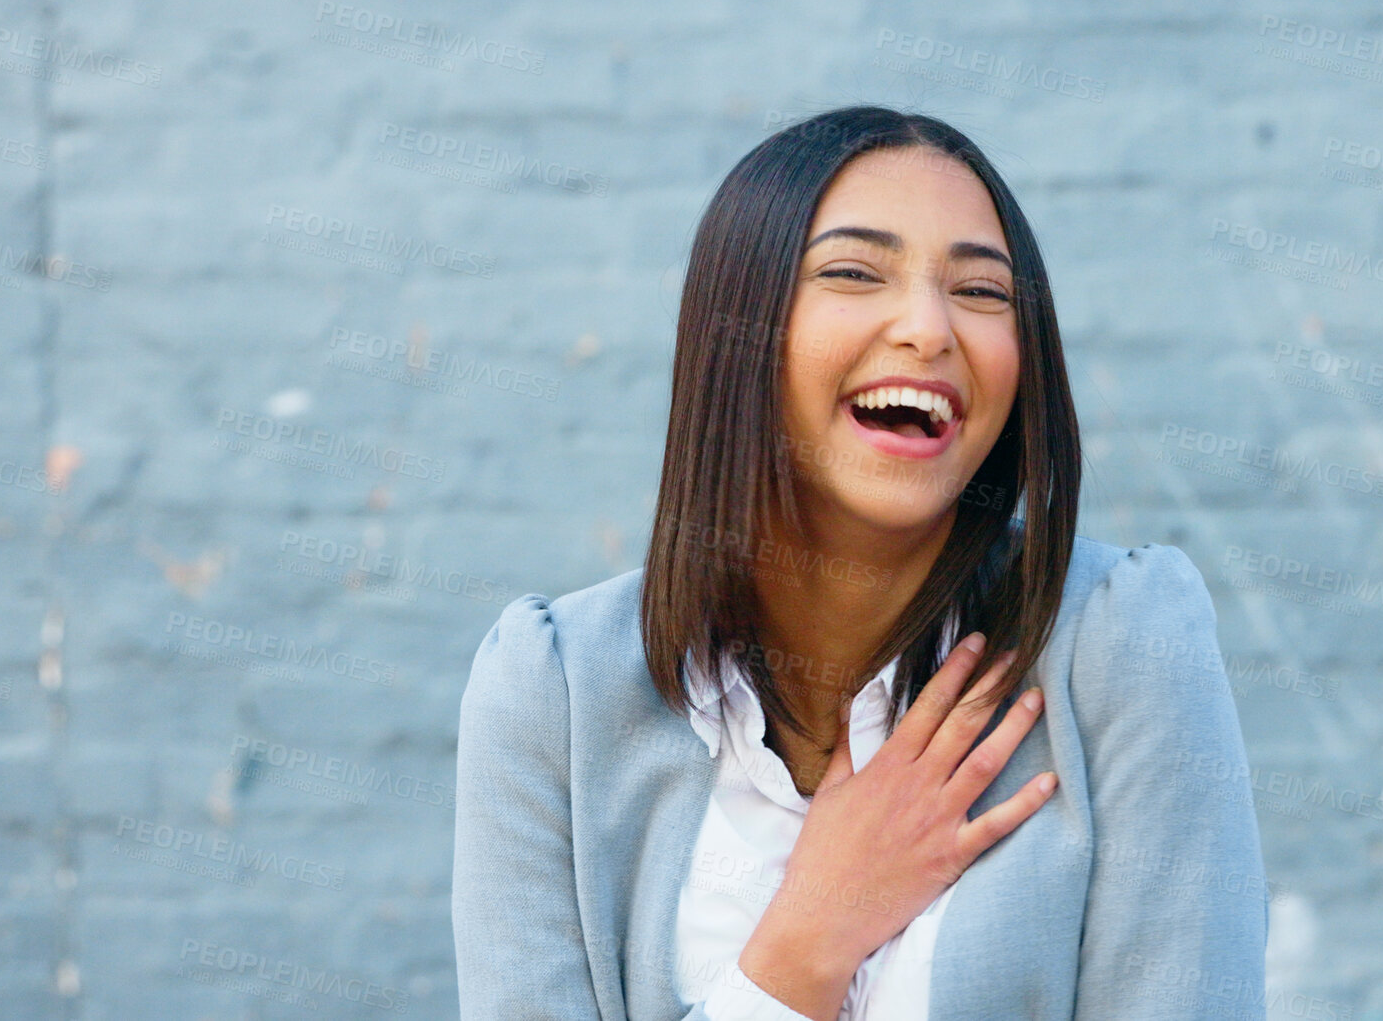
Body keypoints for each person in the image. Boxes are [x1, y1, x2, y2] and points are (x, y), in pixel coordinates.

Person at [452, 105, 1267, 1020]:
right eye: (851, 271)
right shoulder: (554, 690)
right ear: (737, 329)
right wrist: (805, 945)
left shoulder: (1121, 642)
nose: (928, 327)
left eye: (983, 292)